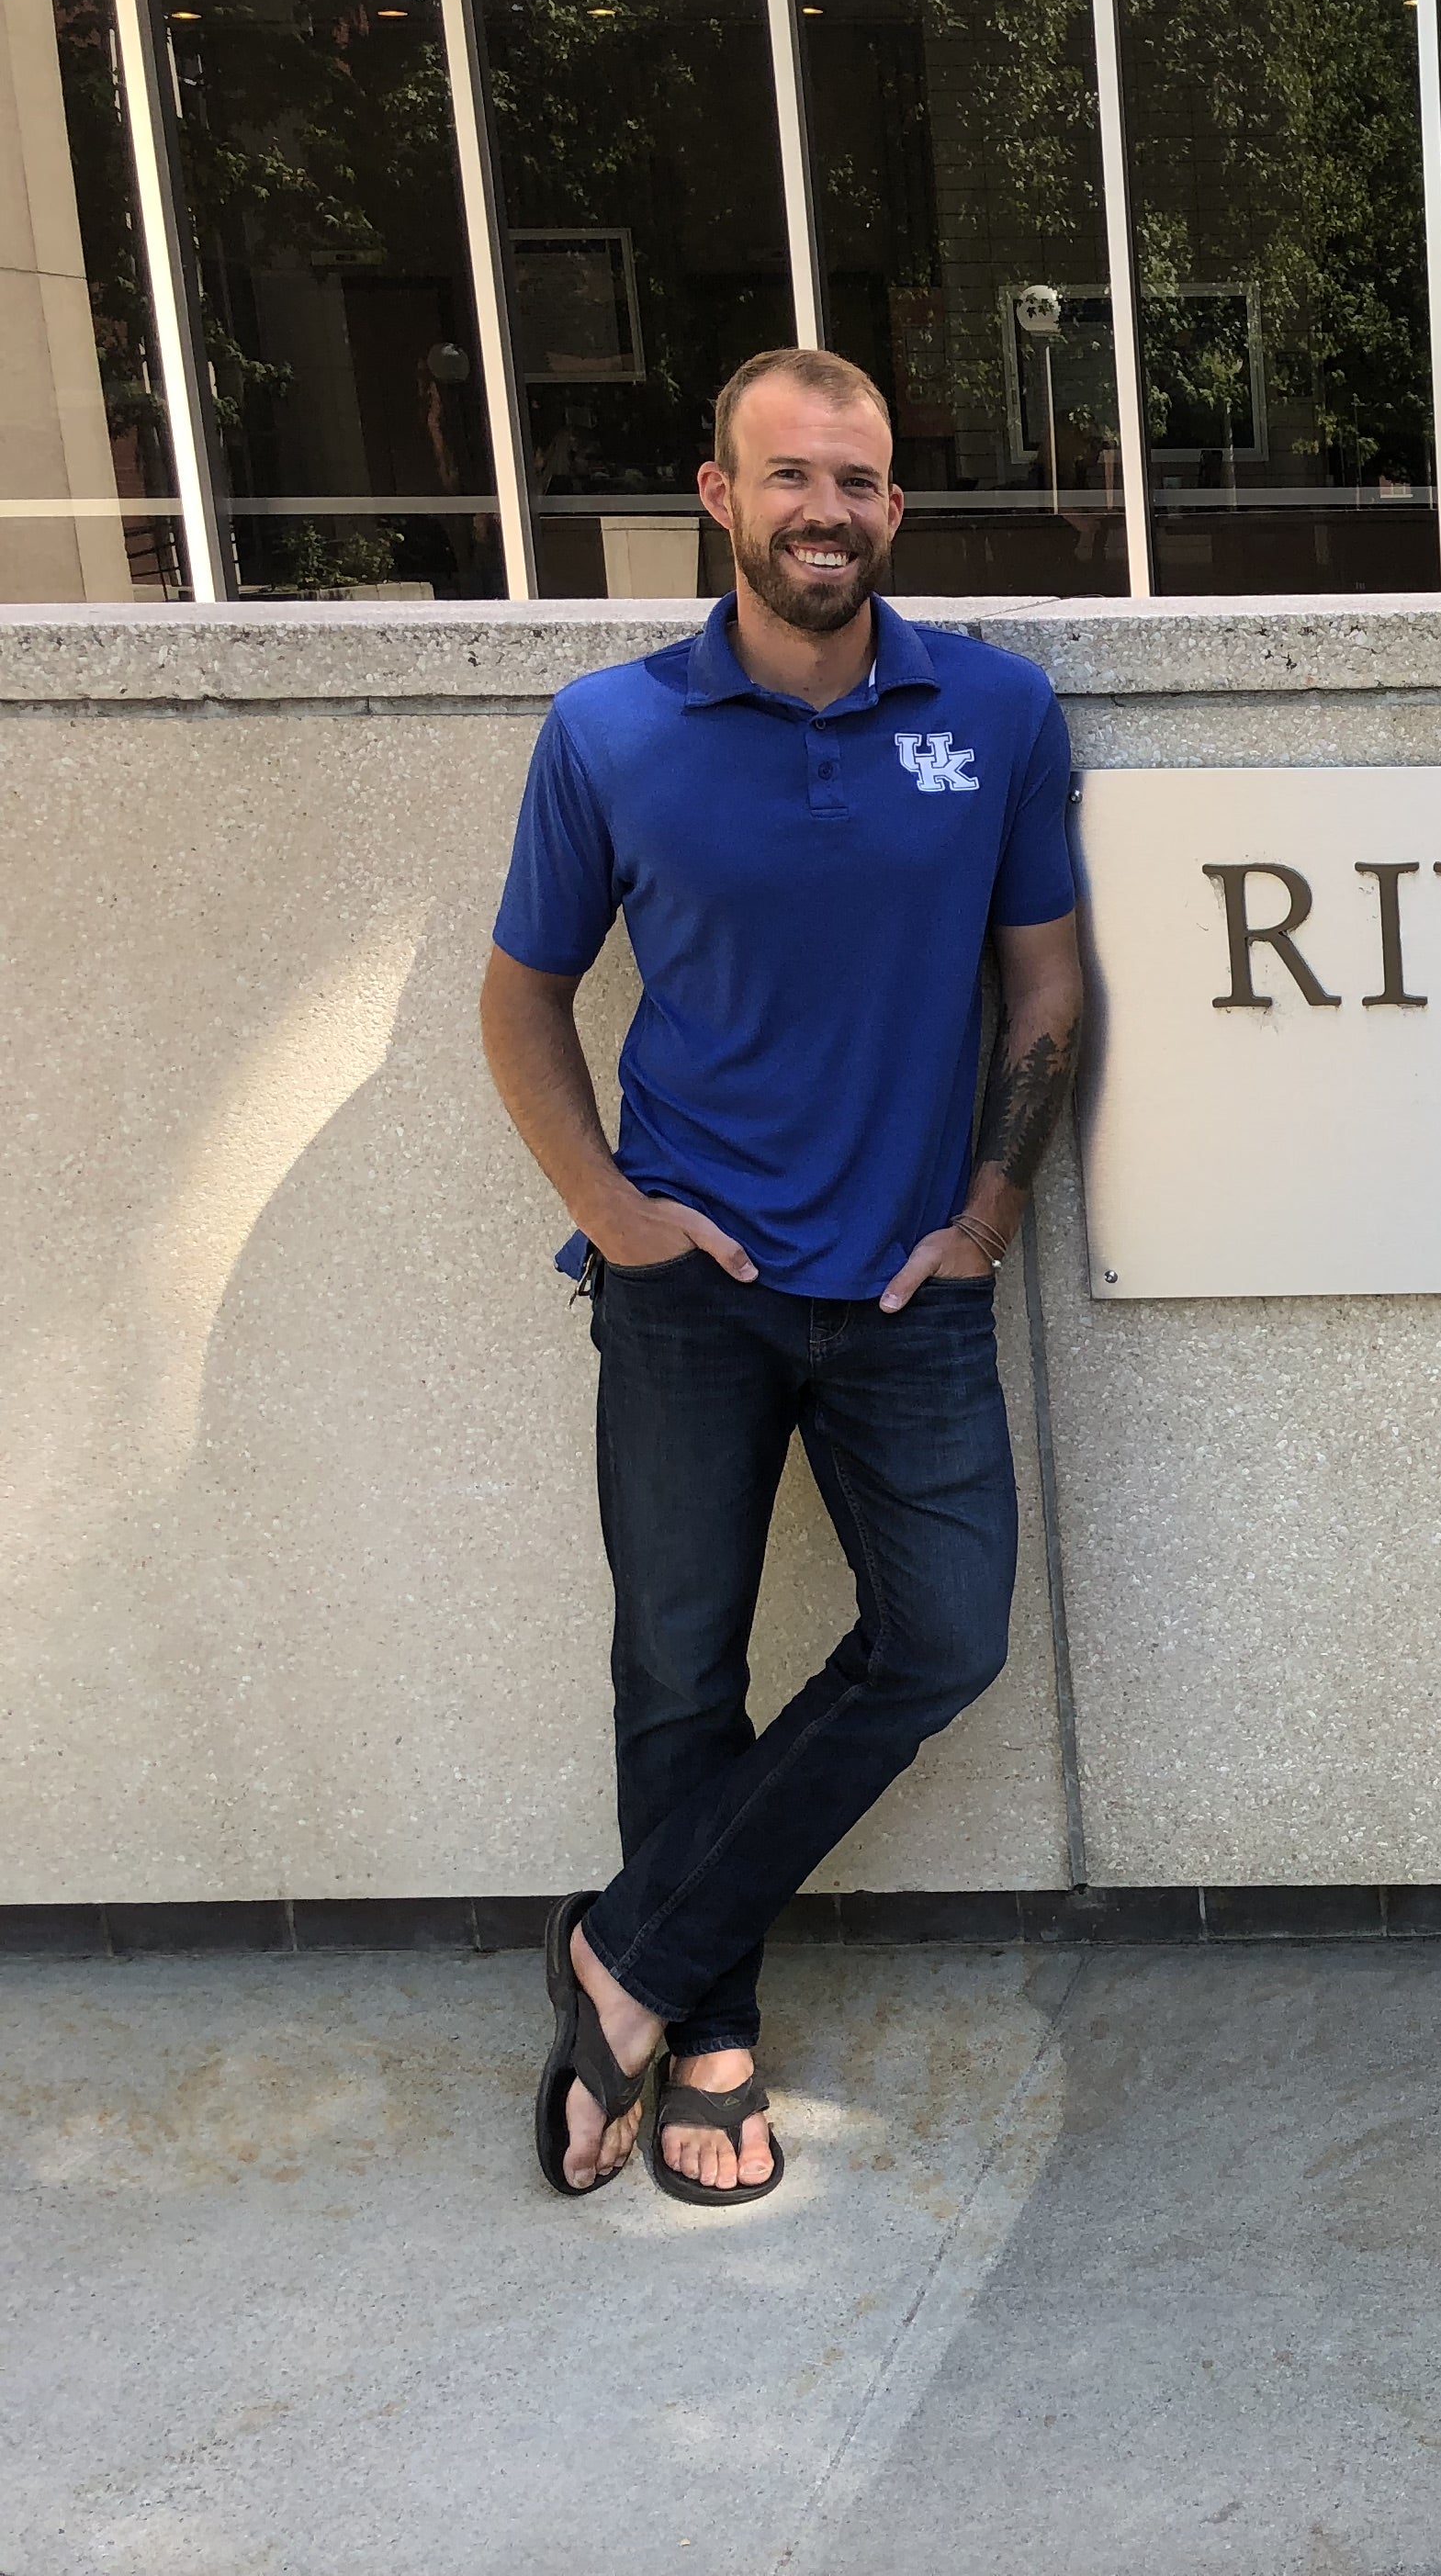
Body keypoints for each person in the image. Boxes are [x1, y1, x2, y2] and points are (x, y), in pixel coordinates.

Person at [481, 346, 1085, 2203]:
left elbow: (1048, 985)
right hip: (689, 1281)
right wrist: (614, 1201)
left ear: (893, 508)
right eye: (789, 475)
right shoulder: (609, 733)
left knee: (948, 1637)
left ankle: (626, 1949)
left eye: (860, 480)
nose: (826, 508)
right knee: (677, 1666)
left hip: (910, 1287)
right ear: (717, 496)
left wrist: (987, 1213)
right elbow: (522, 998)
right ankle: (709, 2034)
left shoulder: (992, 711)